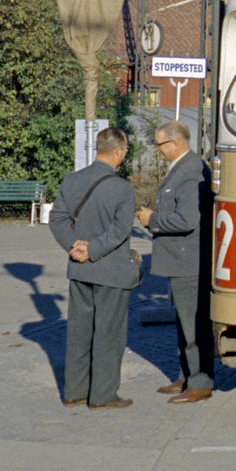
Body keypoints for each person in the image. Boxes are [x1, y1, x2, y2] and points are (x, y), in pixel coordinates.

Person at [48, 127, 136, 409]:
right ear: (119, 152)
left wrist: (75, 246)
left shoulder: (72, 181)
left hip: (79, 269)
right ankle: (103, 395)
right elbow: (120, 231)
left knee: (78, 331)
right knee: (109, 333)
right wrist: (93, 250)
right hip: (111, 271)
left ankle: (75, 391)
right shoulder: (123, 188)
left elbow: (57, 219)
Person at [135, 121, 214, 404]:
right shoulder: (184, 167)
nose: (157, 150)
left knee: (193, 325)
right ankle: (187, 377)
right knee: (184, 322)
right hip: (181, 261)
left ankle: (200, 382)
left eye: (160, 144)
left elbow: (187, 219)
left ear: (177, 143)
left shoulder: (191, 171)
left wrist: (152, 220)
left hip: (188, 262)